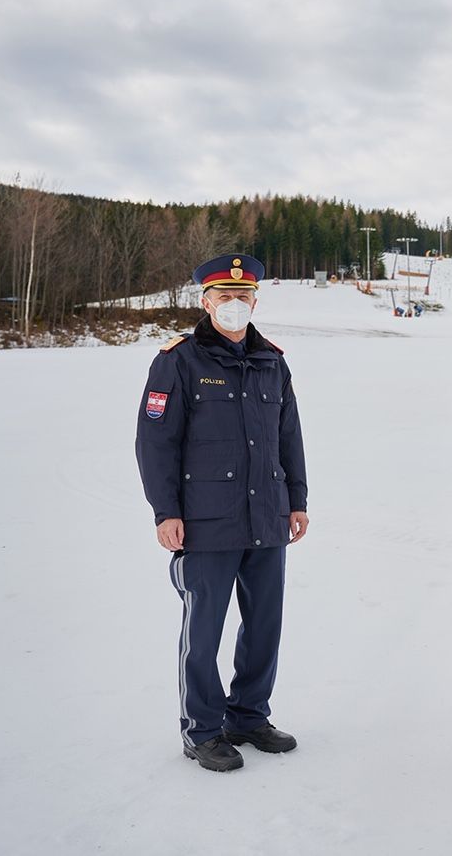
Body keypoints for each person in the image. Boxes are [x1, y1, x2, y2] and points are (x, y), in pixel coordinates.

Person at [135, 253, 309, 773]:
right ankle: (203, 730)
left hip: (267, 517)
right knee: (204, 630)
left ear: (255, 301)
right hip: (205, 520)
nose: (234, 305)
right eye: (224, 297)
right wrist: (165, 511)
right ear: (205, 301)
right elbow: (155, 442)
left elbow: (288, 436)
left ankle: (249, 716)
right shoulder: (180, 360)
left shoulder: (272, 360)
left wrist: (296, 500)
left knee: (263, 626)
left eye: (243, 297)